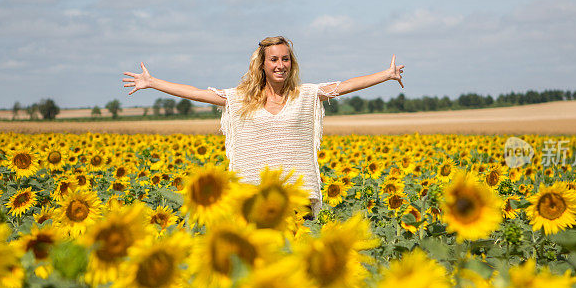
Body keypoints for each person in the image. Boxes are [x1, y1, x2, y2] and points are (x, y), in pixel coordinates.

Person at [122, 35, 404, 214]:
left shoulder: (305, 95)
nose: (280, 64)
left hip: (297, 198)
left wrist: (386, 74)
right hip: (253, 199)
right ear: (263, 65)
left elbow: (343, 86)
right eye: (274, 60)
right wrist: (152, 82)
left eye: (285, 59)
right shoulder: (242, 99)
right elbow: (197, 93)